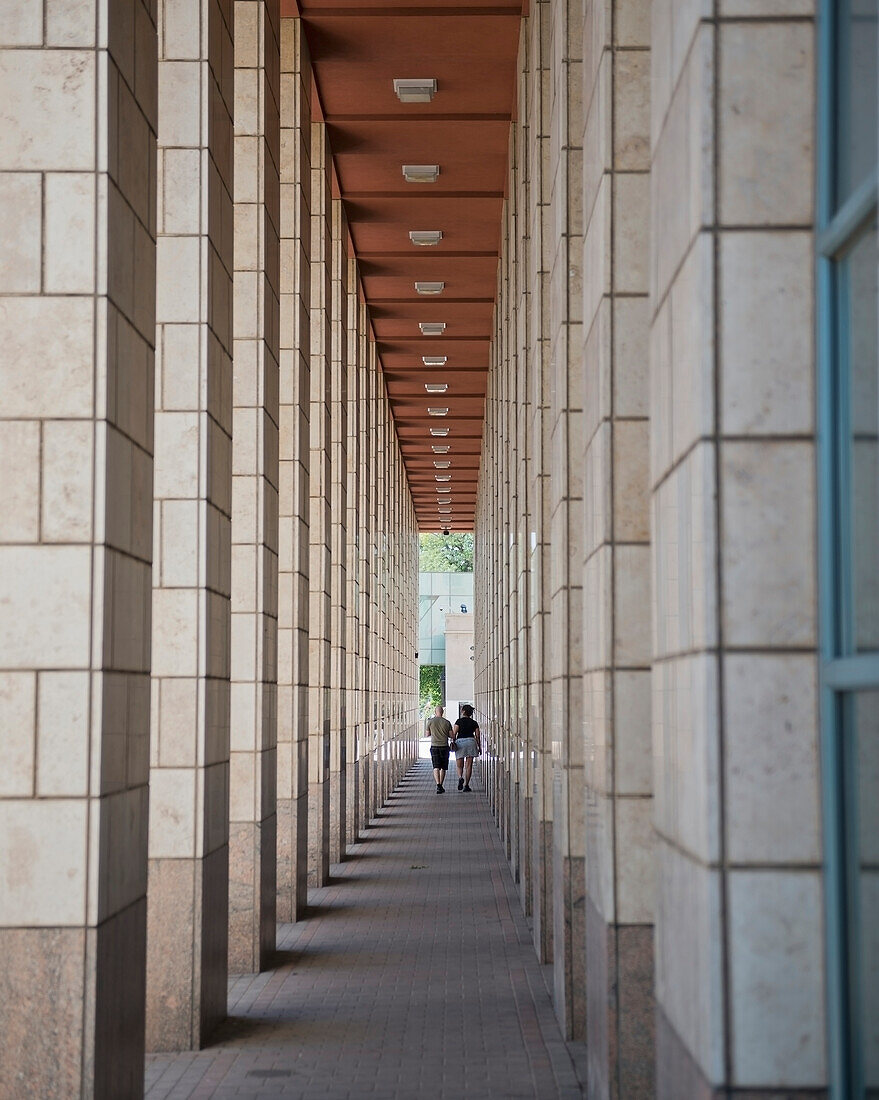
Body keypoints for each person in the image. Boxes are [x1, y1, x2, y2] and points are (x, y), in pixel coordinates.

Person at [453, 705, 481, 791]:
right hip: (471, 742)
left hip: (460, 742)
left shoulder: (458, 721)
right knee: (469, 766)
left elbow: (454, 733)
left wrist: (453, 742)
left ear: (463, 711)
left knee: (459, 764)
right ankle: (466, 785)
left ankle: (460, 777)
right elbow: (477, 736)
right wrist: (479, 747)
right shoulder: (474, 723)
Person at [426, 705, 453, 793]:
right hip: (444, 746)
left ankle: (438, 784)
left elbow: (427, 734)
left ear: (435, 712)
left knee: (436, 766)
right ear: (442, 712)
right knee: (443, 767)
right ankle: (441, 784)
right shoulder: (447, 722)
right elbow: (451, 735)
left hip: (434, 746)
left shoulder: (430, 722)